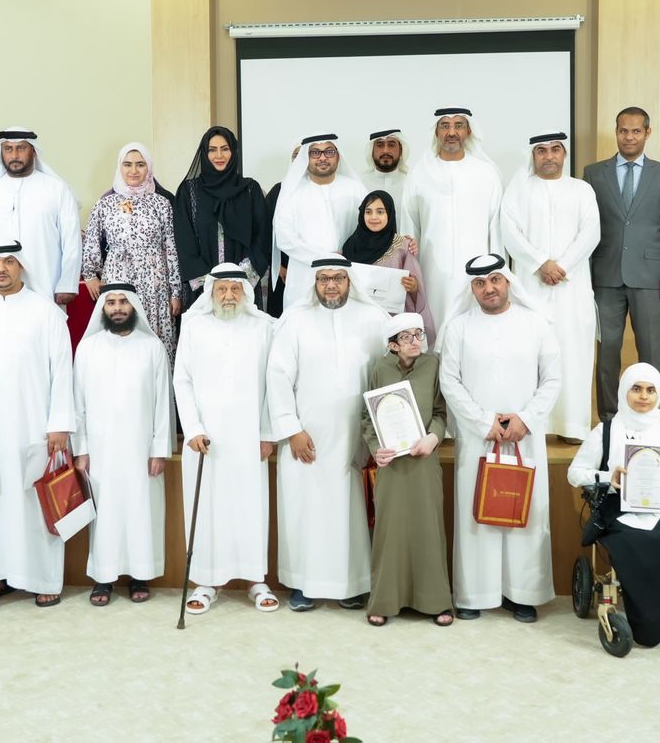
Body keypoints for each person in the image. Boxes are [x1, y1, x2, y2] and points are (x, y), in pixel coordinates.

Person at [437, 254, 561, 622]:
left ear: (507, 282)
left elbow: (552, 378)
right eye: (479, 283)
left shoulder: (535, 324)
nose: (488, 288)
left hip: (524, 436)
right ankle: (474, 593)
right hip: (478, 436)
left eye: (495, 280)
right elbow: (449, 381)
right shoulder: (458, 328)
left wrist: (526, 419)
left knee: (524, 510)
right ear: (471, 288)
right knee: (476, 512)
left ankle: (522, 594)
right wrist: (482, 422)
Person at [266, 257, 391, 612]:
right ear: (314, 283)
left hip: (355, 437)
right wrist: (291, 429)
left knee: (349, 511)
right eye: (323, 279)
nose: (331, 285)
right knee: (305, 510)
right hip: (307, 437)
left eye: (338, 278)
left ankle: (351, 584)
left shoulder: (374, 319)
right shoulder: (295, 321)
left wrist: (379, 434)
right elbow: (277, 377)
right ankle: (303, 584)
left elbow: (389, 372)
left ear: (350, 282)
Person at [0, 241, 75, 609]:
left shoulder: (46, 313)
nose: (1, 268)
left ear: (22, 266)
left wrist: (59, 423)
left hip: (34, 423)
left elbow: (63, 371)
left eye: (9, 261)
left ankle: (42, 578)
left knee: (34, 500)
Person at [570, 363, 660, 647]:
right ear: (624, 391)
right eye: (636, 389)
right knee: (638, 542)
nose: (644, 396)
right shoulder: (606, 431)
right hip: (618, 509)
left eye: (651, 390)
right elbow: (575, 473)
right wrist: (609, 477)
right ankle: (645, 620)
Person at [172, 264, 279, 615]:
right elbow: (182, 380)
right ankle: (206, 581)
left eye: (235, 289)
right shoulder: (193, 325)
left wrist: (267, 432)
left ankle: (255, 580)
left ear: (245, 292)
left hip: (249, 436)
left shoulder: (264, 327)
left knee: (250, 506)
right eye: (222, 289)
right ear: (211, 292)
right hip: (206, 438)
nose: (229, 295)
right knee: (208, 508)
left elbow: (272, 383)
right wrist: (192, 428)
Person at [72, 285, 171, 606]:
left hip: (141, 449)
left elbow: (162, 403)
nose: (117, 308)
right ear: (102, 308)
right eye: (111, 302)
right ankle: (104, 577)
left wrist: (159, 449)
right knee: (106, 513)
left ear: (135, 307)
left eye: (123, 302)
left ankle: (140, 575)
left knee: (142, 509)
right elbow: (78, 404)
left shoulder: (152, 347)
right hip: (100, 450)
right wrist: (81, 449)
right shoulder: (88, 348)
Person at [583, 107, 660, 420]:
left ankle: (648, 415)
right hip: (605, 276)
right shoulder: (593, 173)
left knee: (650, 350)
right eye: (623, 130)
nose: (629, 137)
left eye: (636, 131)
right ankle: (608, 417)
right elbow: (587, 226)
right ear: (616, 132)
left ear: (647, 133)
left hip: (650, 278)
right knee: (607, 351)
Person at [501, 131, 600, 438]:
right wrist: (541, 263)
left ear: (564, 154)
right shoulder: (518, 191)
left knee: (573, 354)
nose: (549, 156)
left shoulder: (581, 190)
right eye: (541, 150)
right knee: (532, 354)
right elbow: (509, 233)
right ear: (533, 155)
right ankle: (533, 423)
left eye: (555, 149)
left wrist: (562, 266)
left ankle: (572, 426)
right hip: (532, 288)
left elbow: (591, 233)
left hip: (572, 290)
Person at [359, 312, 452, 627]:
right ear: (393, 345)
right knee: (390, 532)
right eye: (407, 337)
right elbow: (367, 416)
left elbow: (440, 412)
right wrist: (377, 449)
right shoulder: (379, 369)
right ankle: (384, 601)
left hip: (425, 460)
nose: (416, 341)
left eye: (419, 334)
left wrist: (433, 438)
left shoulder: (433, 365)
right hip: (391, 465)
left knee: (429, 528)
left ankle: (436, 602)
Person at [400, 107, 504, 326]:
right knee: (434, 326)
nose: (451, 132)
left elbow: (495, 229)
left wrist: (496, 274)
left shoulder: (487, 173)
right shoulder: (419, 174)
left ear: (469, 131)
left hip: (477, 270)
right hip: (433, 271)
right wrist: (412, 272)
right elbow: (409, 228)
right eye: (445, 126)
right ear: (436, 131)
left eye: (459, 126)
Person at [80, 143, 184, 360]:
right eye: (127, 164)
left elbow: (171, 248)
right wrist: (90, 275)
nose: (134, 170)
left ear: (149, 168)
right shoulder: (105, 203)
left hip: (154, 281)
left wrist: (175, 292)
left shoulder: (162, 203)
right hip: (118, 277)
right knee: (121, 333)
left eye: (140, 164)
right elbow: (91, 240)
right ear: (120, 167)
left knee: (155, 341)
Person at [0, 128, 81, 307]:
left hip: (45, 283)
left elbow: (71, 240)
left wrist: (68, 283)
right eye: (8, 149)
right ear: (1, 152)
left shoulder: (57, 189)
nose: (14, 155)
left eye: (21, 148)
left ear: (33, 150)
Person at [173, 127, 272, 309]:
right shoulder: (189, 192)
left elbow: (262, 237)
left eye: (225, 149)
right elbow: (184, 241)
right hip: (203, 291)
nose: (219, 155)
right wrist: (210, 284)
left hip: (242, 288)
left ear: (233, 152)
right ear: (204, 153)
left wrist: (238, 280)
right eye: (212, 150)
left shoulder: (250, 190)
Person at [272, 134, 369, 303]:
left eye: (329, 152)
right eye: (315, 152)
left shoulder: (355, 189)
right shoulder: (292, 192)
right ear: (306, 157)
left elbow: (373, 228)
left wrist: (400, 243)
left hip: (348, 274)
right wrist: (325, 258)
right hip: (305, 276)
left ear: (338, 156)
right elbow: (284, 238)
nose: (322, 158)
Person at [340, 190, 434, 341]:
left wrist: (413, 286)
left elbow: (416, 285)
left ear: (389, 214)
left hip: (392, 321)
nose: (373, 217)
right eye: (368, 212)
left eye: (380, 212)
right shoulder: (351, 246)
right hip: (358, 319)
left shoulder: (402, 245)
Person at [262, 143, 302, 318]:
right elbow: (264, 231)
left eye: (304, 155)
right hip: (283, 271)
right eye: (295, 156)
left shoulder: (325, 192)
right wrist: (278, 266)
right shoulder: (279, 191)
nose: (299, 160)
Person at [357, 128, 409, 201]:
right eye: (380, 145)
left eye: (391, 145)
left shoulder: (411, 181)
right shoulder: (359, 184)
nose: (385, 151)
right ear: (372, 151)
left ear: (400, 150)